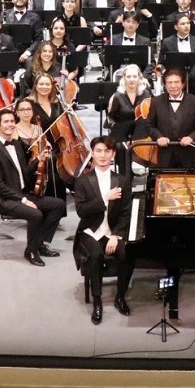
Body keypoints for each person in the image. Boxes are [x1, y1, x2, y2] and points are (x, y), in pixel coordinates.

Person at [0, 108, 67, 266]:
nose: (10, 124)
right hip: (7, 200)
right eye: (6, 122)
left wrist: (38, 160)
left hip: (23, 194)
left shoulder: (16, 145)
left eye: (11, 121)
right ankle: (31, 251)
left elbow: (25, 172)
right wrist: (23, 200)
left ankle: (38, 243)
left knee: (58, 205)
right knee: (36, 214)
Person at [72, 135, 134, 323]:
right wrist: (105, 198)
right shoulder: (83, 181)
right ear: (92, 154)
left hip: (112, 231)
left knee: (128, 253)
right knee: (96, 255)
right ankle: (97, 301)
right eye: (98, 151)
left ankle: (120, 296)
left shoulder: (122, 180)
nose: (102, 155)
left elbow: (125, 212)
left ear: (113, 154)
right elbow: (81, 211)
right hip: (90, 231)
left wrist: (116, 235)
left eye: (107, 151)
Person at [145, 67, 195, 169]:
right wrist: (158, 137)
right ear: (165, 85)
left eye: (176, 82)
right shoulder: (156, 102)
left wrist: (191, 137)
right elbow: (149, 126)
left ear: (183, 84)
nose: (173, 86)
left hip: (188, 154)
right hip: (165, 154)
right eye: (169, 83)